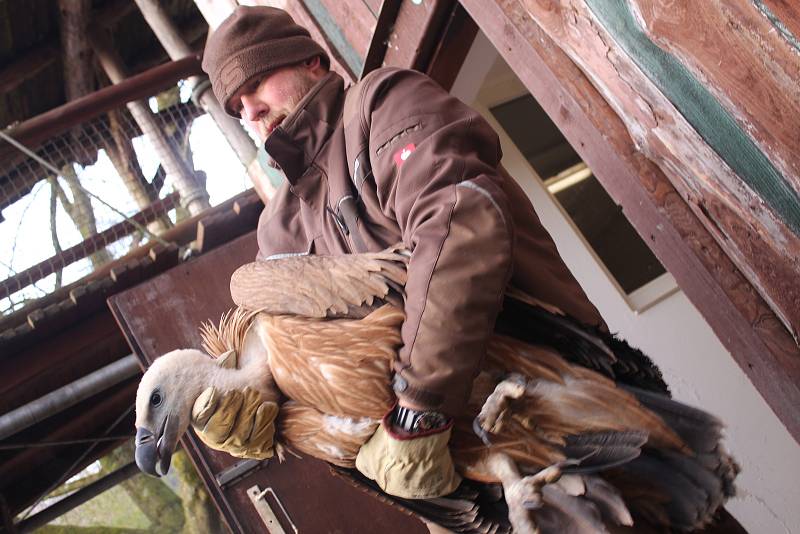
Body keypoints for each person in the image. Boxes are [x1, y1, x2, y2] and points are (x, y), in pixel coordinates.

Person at [200, 5, 603, 501]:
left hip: (558, 405)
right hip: (465, 482)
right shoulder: (277, 231)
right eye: (235, 106)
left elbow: (459, 222)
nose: (250, 111)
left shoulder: (381, 106)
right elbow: (313, 378)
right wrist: (262, 408)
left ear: (312, 62)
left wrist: (419, 409)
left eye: (257, 81)